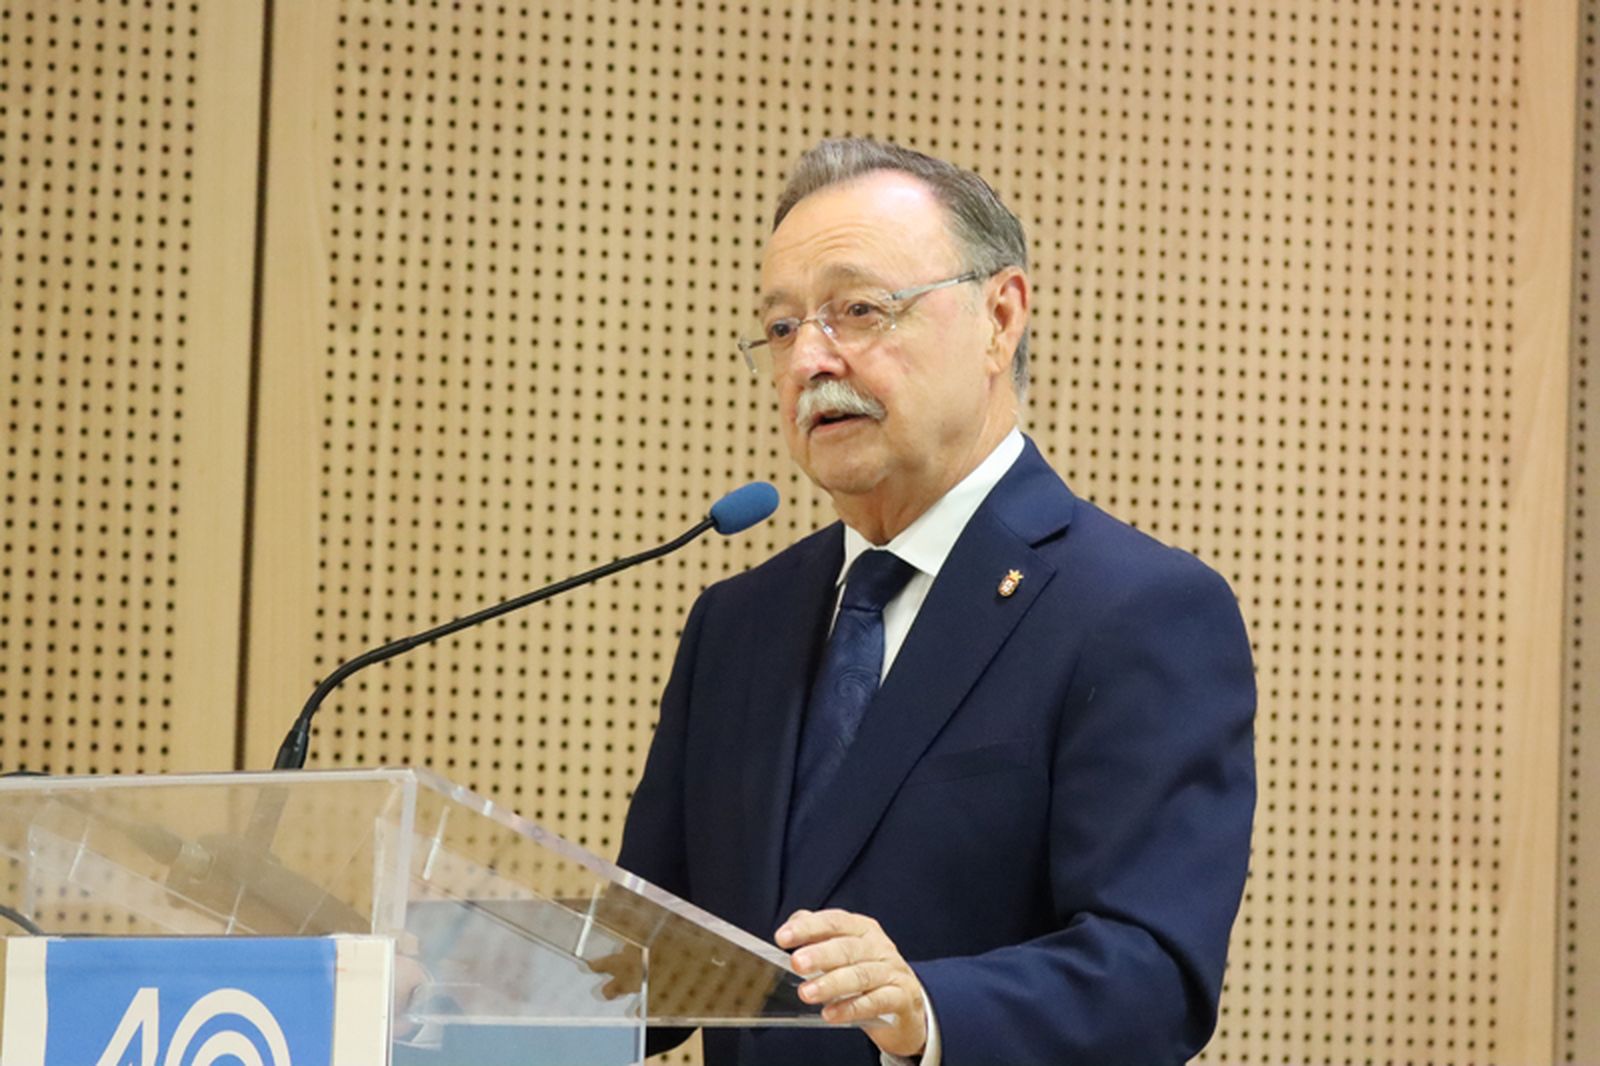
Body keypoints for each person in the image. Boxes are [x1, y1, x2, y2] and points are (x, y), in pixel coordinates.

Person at [618, 138, 1256, 1066]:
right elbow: (659, 962)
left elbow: (1153, 972)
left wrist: (928, 1007)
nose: (810, 361)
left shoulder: (1137, 611)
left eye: (857, 311)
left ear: (1001, 317)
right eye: (783, 327)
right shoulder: (739, 622)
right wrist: (456, 974)